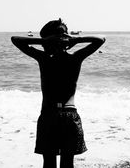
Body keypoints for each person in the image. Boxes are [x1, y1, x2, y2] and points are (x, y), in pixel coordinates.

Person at [11, 18, 105, 168]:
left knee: (49, 164)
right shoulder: (75, 58)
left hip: (49, 115)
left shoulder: (44, 58)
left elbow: (15, 40)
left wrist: (46, 41)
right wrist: (76, 40)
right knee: (68, 164)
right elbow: (100, 40)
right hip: (70, 116)